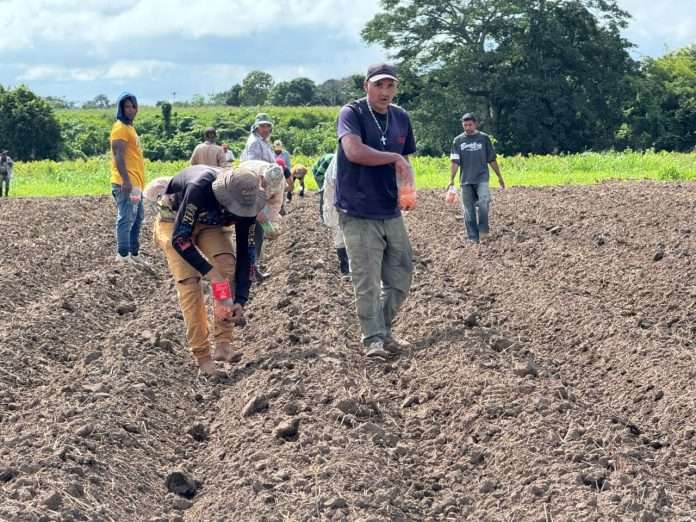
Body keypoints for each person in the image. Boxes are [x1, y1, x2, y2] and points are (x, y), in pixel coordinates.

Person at [151, 165, 266, 376]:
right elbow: (180, 238)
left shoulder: (248, 204)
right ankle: (202, 357)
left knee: (226, 265)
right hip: (173, 221)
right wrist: (210, 274)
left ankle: (223, 344)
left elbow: (246, 253)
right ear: (225, 197)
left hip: (210, 224)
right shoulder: (200, 188)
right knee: (189, 282)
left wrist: (241, 298)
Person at [335, 63, 416, 359]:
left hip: (389, 209)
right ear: (366, 86)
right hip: (357, 210)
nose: (385, 91)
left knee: (401, 272)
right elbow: (353, 152)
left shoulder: (401, 118)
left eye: (390, 85)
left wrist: (408, 189)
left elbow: (405, 161)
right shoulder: (352, 114)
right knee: (366, 279)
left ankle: (384, 329)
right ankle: (372, 339)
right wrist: (393, 157)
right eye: (379, 85)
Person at [448, 113, 506, 243]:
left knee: (484, 202)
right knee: (468, 210)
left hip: (482, 178)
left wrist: (499, 176)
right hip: (465, 180)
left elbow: (491, 159)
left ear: (475, 124)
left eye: (470, 125)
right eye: (465, 125)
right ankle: (473, 237)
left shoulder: (484, 138)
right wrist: (451, 178)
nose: (468, 127)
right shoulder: (458, 141)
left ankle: (483, 231)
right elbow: (455, 162)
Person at [110, 92, 146, 265]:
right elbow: (118, 154)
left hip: (136, 184)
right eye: (127, 106)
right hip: (126, 183)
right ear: (121, 108)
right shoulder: (120, 128)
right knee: (126, 217)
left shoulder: (130, 128)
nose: (131, 109)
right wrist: (125, 180)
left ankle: (133, 252)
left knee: (137, 218)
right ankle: (123, 254)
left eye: (133, 106)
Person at [240, 113, 275, 280]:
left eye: (268, 126)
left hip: (260, 191)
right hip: (254, 192)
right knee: (254, 232)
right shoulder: (254, 144)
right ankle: (249, 270)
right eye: (263, 126)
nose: (266, 129)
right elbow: (254, 169)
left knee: (256, 232)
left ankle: (251, 268)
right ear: (256, 127)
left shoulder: (262, 143)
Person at [312, 152, 335, 223]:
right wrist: (324, 187)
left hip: (329, 175)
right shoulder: (329, 160)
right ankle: (322, 217)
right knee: (324, 195)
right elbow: (318, 175)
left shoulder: (340, 163)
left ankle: (332, 215)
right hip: (318, 173)